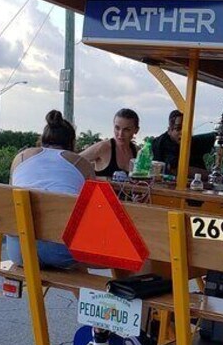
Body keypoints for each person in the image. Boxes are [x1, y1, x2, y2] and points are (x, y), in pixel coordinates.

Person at [7, 110, 94, 268]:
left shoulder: (20, 158)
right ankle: (88, 292)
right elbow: (94, 211)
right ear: (71, 141)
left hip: (18, 252)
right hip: (60, 253)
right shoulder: (81, 164)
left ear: (43, 138)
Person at [151, 110, 217, 177]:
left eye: (187, 128)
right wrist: (211, 175)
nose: (183, 132)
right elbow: (176, 169)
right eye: (178, 128)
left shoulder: (194, 141)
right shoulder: (161, 144)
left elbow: (220, 134)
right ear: (169, 130)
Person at [80, 108, 140, 178]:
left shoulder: (138, 152)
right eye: (117, 128)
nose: (120, 134)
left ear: (136, 130)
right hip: (101, 188)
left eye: (126, 130)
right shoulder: (103, 147)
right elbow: (70, 162)